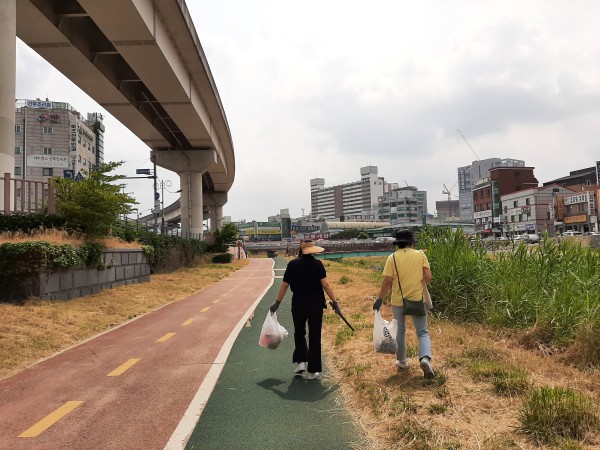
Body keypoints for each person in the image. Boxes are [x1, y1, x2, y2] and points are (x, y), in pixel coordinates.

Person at [269, 240, 340, 380]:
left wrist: (277, 302)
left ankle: (301, 363)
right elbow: (325, 285)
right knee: (314, 334)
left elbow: (284, 286)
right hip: (315, 304)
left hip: (298, 303)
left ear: (300, 251)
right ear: (312, 250)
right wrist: (334, 301)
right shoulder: (317, 264)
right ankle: (313, 371)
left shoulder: (292, 264)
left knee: (299, 332)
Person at [372, 229, 435, 379]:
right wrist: (418, 289)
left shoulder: (392, 258)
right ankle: (425, 358)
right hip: (417, 299)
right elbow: (428, 277)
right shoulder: (420, 255)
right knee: (422, 332)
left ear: (398, 244)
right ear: (411, 242)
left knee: (400, 331)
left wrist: (379, 299)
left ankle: (402, 361)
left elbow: (387, 282)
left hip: (398, 300)